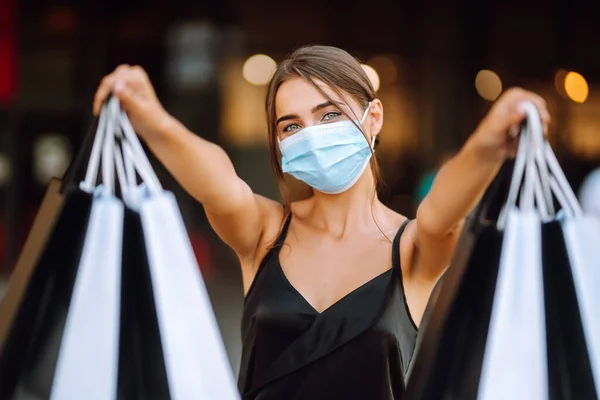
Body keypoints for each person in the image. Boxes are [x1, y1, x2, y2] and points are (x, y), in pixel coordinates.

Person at [93, 45, 550, 400]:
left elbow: (441, 211)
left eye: (329, 114)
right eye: (290, 125)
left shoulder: (412, 247)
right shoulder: (264, 233)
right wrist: (152, 120)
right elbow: (218, 183)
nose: (311, 134)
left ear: (373, 119)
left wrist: (489, 145)